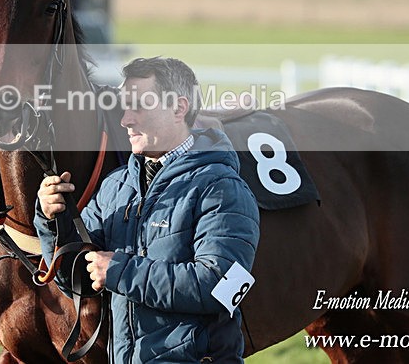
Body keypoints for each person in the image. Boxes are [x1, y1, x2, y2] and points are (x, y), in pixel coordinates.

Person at [34, 57, 260, 363]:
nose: (125, 120)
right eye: (124, 108)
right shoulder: (116, 186)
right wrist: (52, 219)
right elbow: (78, 280)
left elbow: (219, 286)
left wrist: (119, 271)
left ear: (179, 108)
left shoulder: (223, 189)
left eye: (138, 106)